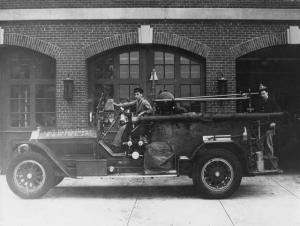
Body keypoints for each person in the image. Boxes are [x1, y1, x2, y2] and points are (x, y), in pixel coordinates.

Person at [256, 83, 281, 156]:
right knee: (260, 141)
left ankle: (271, 159)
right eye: (261, 94)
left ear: (267, 93)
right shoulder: (261, 103)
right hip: (263, 126)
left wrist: (274, 122)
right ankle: (262, 158)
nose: (262, 95)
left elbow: (279, 113)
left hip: (271, 126)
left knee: (268, 141)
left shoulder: (272, 102)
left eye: (263, 93)